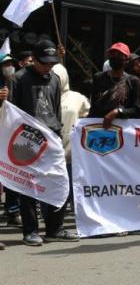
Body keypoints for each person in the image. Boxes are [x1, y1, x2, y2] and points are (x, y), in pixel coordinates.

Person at [10, 40, 79, 246]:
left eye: (51, 63)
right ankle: (30, 231)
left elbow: (56, 109)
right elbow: (12, 113)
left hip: (52, 138)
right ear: (34, 59)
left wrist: (56, 133)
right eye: (43, 62)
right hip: (28, 140)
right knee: (29, 187)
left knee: (58, 183)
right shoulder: (18, 79)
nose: (48, 66)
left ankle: (54, 228)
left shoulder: (55, 79)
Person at [52, 63, 90, 207]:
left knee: (74, 183)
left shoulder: (77, 98)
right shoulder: (44, 95)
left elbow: (89, 117)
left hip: (73, 151)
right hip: (52, 150)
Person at [89, 42, 140, 128]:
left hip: (123, 131)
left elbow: (137, 110)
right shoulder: (98, 78)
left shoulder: (133, 81)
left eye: (119, 55)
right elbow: (93, 108)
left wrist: (117, 112)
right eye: (112, 54)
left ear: (126, 60)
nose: (114, 57)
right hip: (99, 127)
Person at [0, 53, 22, 227]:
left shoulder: (18, 81)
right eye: (5, 63)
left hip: (12, 137)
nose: (9, 66)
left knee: (13, 176)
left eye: (10, 63)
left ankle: (13, 211)